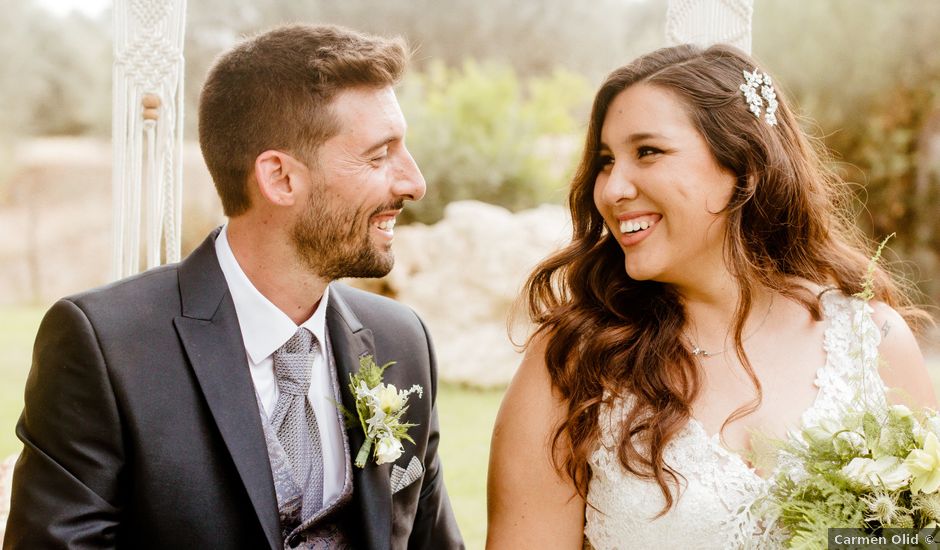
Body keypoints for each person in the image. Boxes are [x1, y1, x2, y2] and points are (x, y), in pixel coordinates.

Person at [4, 24, 462, 549]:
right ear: (280, 178)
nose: (414, 183)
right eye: (378, 157)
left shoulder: (403, 341)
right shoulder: (106, 348)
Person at [486, 44, 936, 548]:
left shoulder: (871, 344)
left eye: (648, 152)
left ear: (745, 168)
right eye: (606, 162)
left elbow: (914, 537)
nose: (611, 190)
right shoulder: (573, 363)